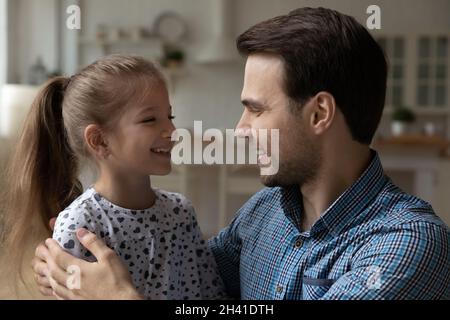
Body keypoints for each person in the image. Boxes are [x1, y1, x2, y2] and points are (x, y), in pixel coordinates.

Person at [32, 7, 449, 299]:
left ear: (319, 113)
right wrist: (78, 268)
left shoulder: (407, 246)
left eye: (255, 108)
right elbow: (190, 285)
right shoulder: (263, 213)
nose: (240, 129)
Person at [3, 54, 225, 299]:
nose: (172, 130)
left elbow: (212, 294)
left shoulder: (181, 212)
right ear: (99, 140)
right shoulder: (79, 226)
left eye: (169, 116)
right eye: (150, 119)